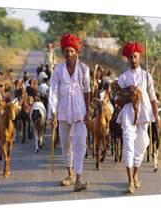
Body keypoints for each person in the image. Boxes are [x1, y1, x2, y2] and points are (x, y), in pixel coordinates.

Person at [48, 33, 91, 192]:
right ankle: (70, 173)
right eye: (66, 51)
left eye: (72, 51)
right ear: (63, 53)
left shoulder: (84, 69)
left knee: (80, 143)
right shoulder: (58, 70)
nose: (69, 54)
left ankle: (79, 178)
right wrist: (53, 114)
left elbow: (87, 90)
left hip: (80, 111)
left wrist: (88, 111)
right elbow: (53, 92)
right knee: (66, 143)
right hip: (63, 112)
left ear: (76, 52)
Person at [116, 42, 160, 194]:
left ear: (139, 57)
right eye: (130, 57)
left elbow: (153, 97)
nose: (133, 59)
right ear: (127, 59)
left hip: (144, 114)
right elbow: (117, 99)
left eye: (135, 56)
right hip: (128, 115)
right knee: (128, 146)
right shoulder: (123, 78)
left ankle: (135, 175)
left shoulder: (147, 76)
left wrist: (157, 116)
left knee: (142, 144)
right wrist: (129, 97)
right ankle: (129, 181)